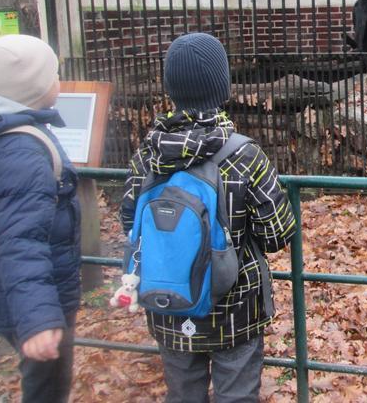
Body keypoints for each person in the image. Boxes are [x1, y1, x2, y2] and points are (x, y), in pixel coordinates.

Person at [121, 32, 296, 403]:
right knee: (237, 395)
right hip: (234, 307)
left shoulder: (146, 157)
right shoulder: (243, 155)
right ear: (223, 86)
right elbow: (277, 233)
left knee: (183, 394)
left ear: (170, 87)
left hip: (169, 301)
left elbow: (129, 224)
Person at [0, 35, 80, 403]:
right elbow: (19, 238)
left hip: (16, 289)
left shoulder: (1, 129)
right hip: (33, 297)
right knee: (47, 389)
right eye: (54, 74)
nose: (58, 80)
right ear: (37, 86)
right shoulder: (22, 151)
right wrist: (37, 318)